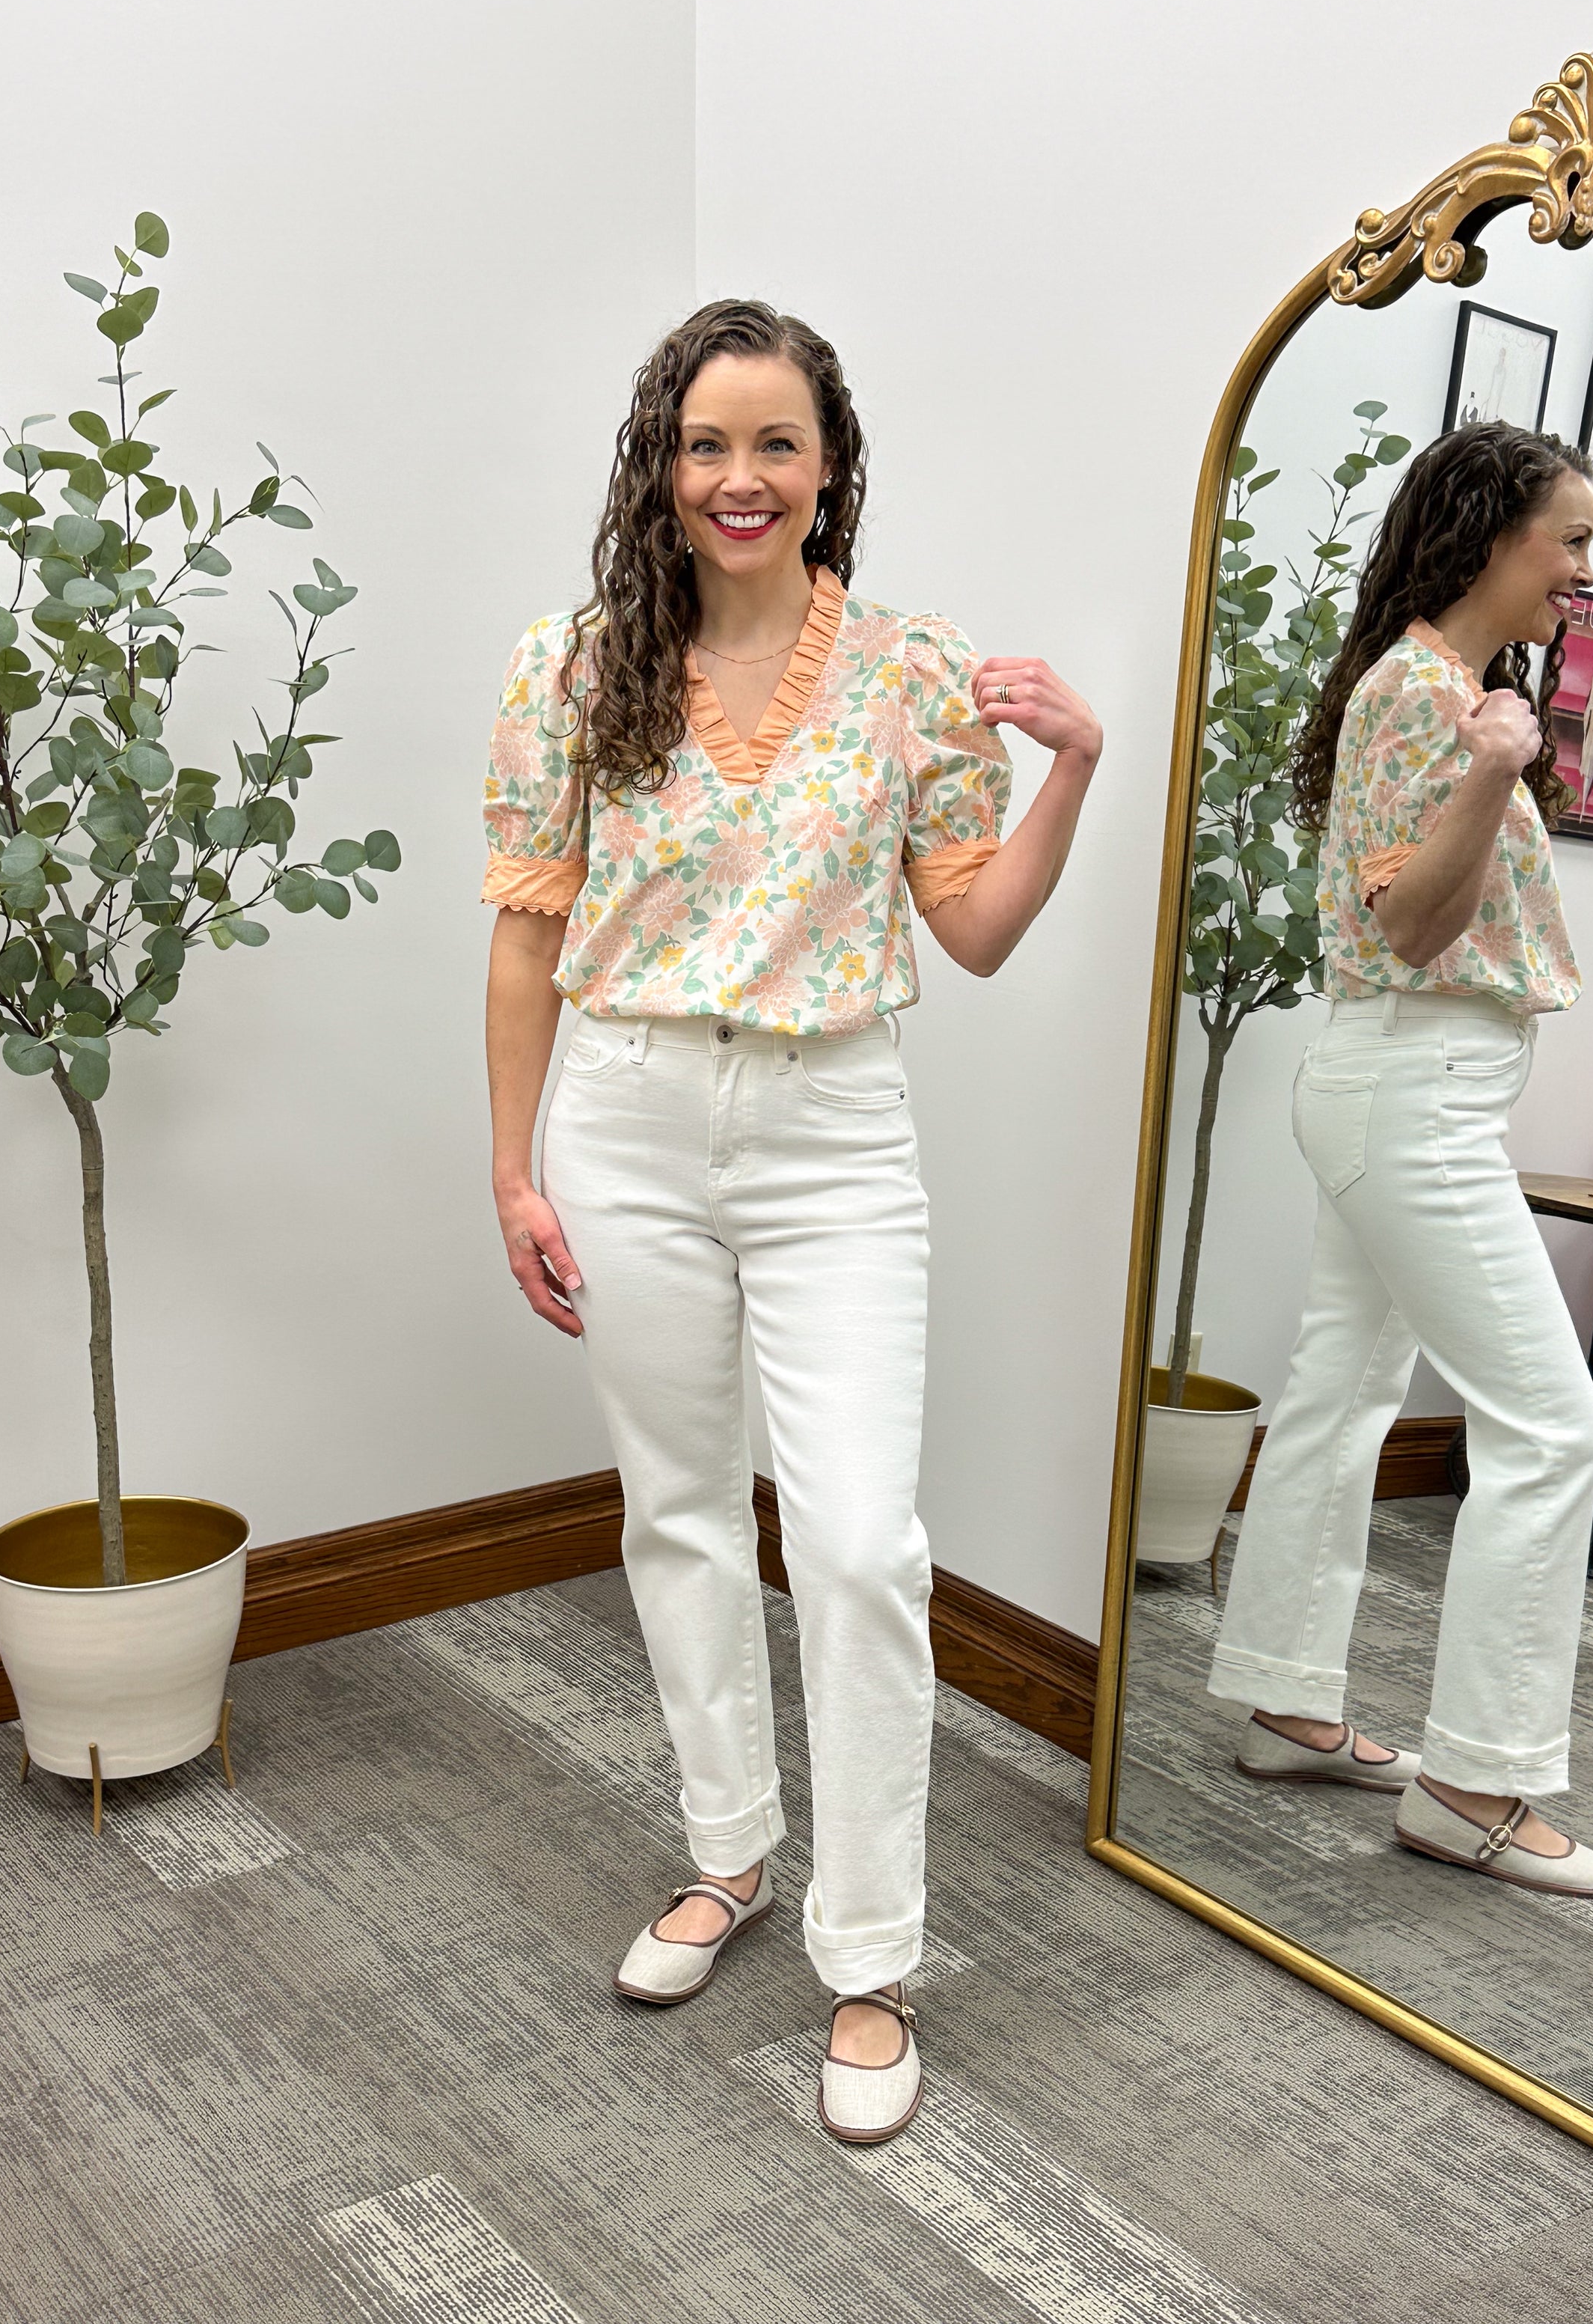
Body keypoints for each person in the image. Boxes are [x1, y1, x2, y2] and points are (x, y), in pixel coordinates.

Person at [482, 299, 1104, 2141]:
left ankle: (874, 1952)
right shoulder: (576, 664)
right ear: (660, 466)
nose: (738, 478)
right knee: (678, 1508)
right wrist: (514, 1167)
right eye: (706, 443)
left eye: (776, 444)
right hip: (624, 1116)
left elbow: (972, 929)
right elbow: (525, 930)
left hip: (833, 1132)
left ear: (831, 467)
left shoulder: (913, 671)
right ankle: (730, 1852)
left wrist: (1076, 769)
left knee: (855, 1545)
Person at [1205, 421, 1593, 1900]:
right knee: (1556, 1431)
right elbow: (1408, 925)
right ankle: (1476, 1785)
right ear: (1492, 535)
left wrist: (1498, 752)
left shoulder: (1443, 687)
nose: (1585, 568)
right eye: (1571, 538)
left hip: (1404, 1084)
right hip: (1412, 1088)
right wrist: (1494, 769)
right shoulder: (1424, 695)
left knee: (1341, 1392)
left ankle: (1285, 1699)